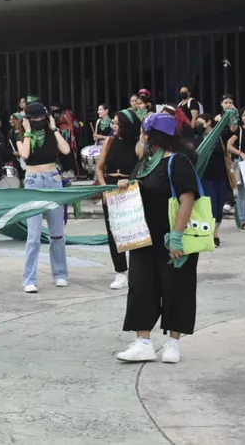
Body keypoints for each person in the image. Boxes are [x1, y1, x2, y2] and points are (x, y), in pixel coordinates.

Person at [116, 113, 200, 364]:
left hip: (171, 238)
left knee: (176, 287)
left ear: (152, 136)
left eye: (144, 133)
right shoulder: (145, 163)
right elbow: (137, 189)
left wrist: (176, 236)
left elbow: (187, 198)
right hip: (143, 238)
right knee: (141, 288)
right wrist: (125, 185)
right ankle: (143, 342)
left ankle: (173, 343)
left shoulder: (178, 162)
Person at [17, 102, 72, 293]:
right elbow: (24, 154)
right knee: (33, 236)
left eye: (42, 117)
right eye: (35, 118)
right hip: (33, 181)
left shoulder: (51, 132)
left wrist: (54, 128)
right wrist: (26, 131)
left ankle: (60, 273)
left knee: (57, 233)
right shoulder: (21, 135)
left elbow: (65, 150)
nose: (38, 120)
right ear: (27, 119)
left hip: (53, 179)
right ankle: (29, 279)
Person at [95, 110, 140, 289]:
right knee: (113, 232)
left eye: (116, 124)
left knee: (134, 230)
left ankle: (137, 271)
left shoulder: (138, 144)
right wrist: (104, 189)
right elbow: (99, 168)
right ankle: (120, 271)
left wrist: (130, 181)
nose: (113, 127)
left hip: (130, 188)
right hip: (111, 187)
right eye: (113, 123)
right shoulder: (110, 141)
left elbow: (143, 166)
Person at [196, 114, 231, 246]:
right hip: (206, 177)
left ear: (208, 122)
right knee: (210, 205)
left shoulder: (219, 137)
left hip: (221, 176)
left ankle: (215, 229)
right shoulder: (197, 139)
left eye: (200, 122)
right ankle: (213, 233)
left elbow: (233, 129)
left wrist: (228, 114)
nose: (197, 125)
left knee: (219, 205)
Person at [227, 107, 245, 231]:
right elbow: (229, 146)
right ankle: (243, 220)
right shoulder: (240, 131)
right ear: (241, 118)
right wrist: (241, 153)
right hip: (243, 163)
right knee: (242, 193)